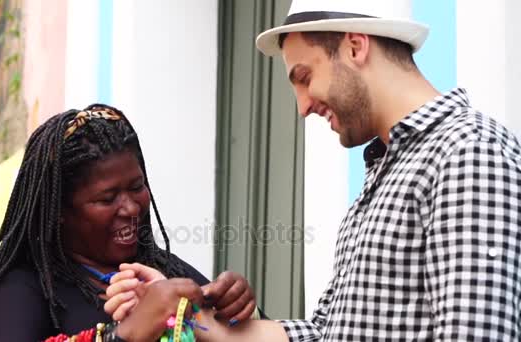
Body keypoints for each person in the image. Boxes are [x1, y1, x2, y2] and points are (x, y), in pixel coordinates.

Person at [175, 0, 521, 340]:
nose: (302, 106)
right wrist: (187, 319)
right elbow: (327, 332)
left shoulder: (466, 152)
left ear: (355, 46)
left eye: (305, 77)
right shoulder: (388, 168)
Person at [0, 104, 256, 341]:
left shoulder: (162, 270)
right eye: (107, 199)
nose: (132, 207)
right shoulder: (22, 290)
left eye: (136, 187)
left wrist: (237, 312)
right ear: (59, 210)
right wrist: (126, 333)